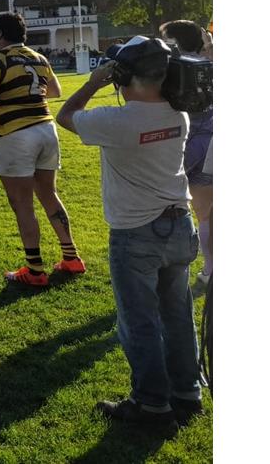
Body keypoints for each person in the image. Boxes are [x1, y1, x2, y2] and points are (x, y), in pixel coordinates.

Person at [57, 36, 202, 432]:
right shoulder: (179, 114)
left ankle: (152, 406)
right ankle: (186, 393)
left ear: (122, 74)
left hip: (135, 233)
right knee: (176, 315)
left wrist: (93, 83)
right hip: (179, 226)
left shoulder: (115, 120)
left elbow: (65, 116)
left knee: (138, 323)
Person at [0, 12, 83, 287]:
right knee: (48, 195)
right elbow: (54, 90)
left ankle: (35, 270)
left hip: (16, 134)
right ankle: (71, 256)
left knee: (22, 203)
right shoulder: (39, 58)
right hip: (46, 130)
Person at [160, 20, 214, 295]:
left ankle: (202, 269)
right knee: (209, 213)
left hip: (188, 142)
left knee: (195, 212)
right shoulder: (210, 63)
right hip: (211, 140)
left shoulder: (175, 68)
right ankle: (210, 269)